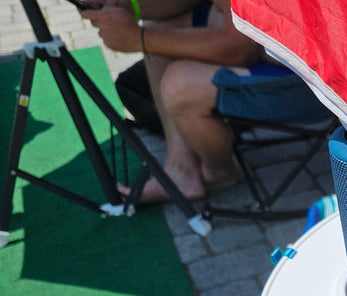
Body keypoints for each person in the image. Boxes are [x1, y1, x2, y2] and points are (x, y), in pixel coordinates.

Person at [82, 0, 263, 204]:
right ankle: (181, 170)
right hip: (249, 36)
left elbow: (241, 50)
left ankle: (221, 172)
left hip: (293, 76)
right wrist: (126, 5)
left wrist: (138, 38)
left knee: (180, 83)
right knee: (160, 29)